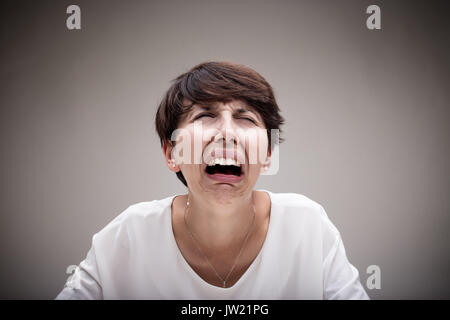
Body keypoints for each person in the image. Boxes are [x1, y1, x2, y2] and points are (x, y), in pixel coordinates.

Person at [56, 61, 369, 299]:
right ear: (171, 152)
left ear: (268, 155)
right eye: (205, 116)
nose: (227, 133)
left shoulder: (309, 228)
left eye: (246, 119)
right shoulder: (124, 240)